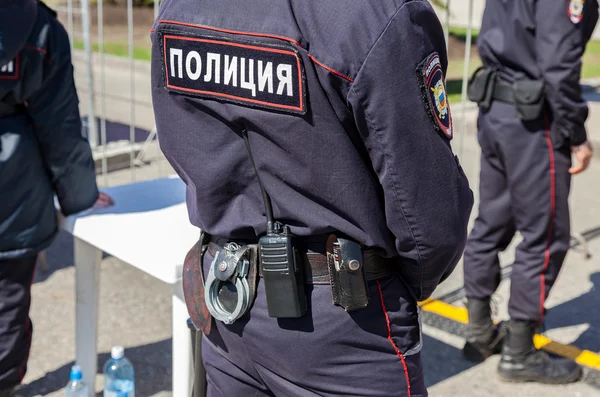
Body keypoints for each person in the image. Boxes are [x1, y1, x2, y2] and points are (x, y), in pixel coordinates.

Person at [151, 0, 473, 395]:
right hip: (344, 324)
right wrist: (393, 283)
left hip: (229, 301)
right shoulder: (370, 12)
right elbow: (431, 220)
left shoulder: (178, 7)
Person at [463, 0, 599, 384]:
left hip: (496, 110)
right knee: (545, 235)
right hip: (533, 123)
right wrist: (576, 134)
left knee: (492, 221)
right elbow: (559, 67)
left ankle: (477, 332)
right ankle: (519, 351)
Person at [0, 1, 113, 396]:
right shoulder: (37, 27)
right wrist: (80, 195)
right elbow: (60, 126)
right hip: (12, 197)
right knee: (7, 303)